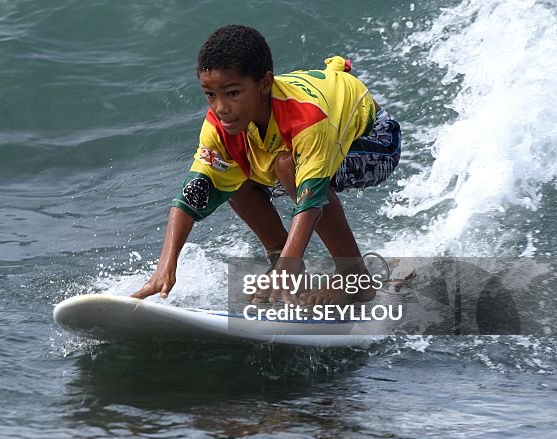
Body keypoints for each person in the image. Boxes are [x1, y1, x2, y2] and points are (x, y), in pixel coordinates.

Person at [129, 24, 401, 305]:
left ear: (264, 83)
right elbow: (192, 194)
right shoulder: (221, 126)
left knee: (286, 166)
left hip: (375, 140)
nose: (220, 108)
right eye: (210, 94)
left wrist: (287, 267)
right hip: (303, 143)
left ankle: (353, 278)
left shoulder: (307, 120)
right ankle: (282, 260)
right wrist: (165, 266)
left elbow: (312, 201)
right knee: (230, 170)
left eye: (232, 93)